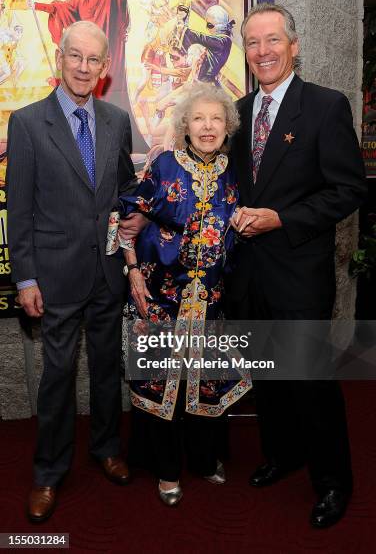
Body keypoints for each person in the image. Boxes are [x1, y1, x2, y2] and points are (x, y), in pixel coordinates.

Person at [227, 2, 367, 528]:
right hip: (250, 272)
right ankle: (282, 454)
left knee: (310, 379)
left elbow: (348, 189)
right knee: (268, 375)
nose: (263, 52)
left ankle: (333, 483)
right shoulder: (239, 112)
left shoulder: (326, 107)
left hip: (299, 271)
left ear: (294, 45)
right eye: (254, 43)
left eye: (272, 41)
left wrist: (280, 219)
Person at [6, 20, 137, 523]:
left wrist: (138, 211)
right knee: (57, 377)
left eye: (94, 60)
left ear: (105, 68)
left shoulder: (117, 120)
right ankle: (47, 472)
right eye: (75, 57)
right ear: (60, 59)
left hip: (107, 274)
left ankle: (106, 448)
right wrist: (26, 278)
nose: (84, 67)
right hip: (55, 276)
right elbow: (19, 211)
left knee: (108, 371)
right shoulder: (27, 122)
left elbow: (124, 188)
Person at [113, 82, 252, 506]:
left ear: (228, 126)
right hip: (161, 297)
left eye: (216, 119)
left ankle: (205, 460)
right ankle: (167, 469)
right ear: (184, 126)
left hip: (211, 300)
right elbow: (127, 218)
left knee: (205, 382)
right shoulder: (166, 165)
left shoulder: (237, 171)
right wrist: (133, 271)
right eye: (198, 118)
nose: (207, 126)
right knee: (162, 386)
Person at [30, 0, 133, 96]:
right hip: (85, 54)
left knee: (106, 97)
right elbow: (60, 8)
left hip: (108, 54)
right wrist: (36, 5)